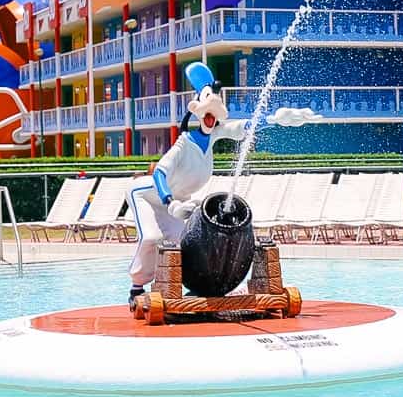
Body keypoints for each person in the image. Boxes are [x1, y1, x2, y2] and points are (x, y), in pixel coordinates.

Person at [125, 62, 319, 307]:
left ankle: (183, 288)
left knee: (179, 246)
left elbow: (242, 128)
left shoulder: (213, 136)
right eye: (206, 114)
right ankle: (136, 287)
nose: (210, 119)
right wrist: (170, 202)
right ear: (196, 112)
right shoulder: (184, 143)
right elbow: (159, 175)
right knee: (151, 237)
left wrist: (276, 119)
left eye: (213, 116)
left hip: (177, 201)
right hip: (148, 194)